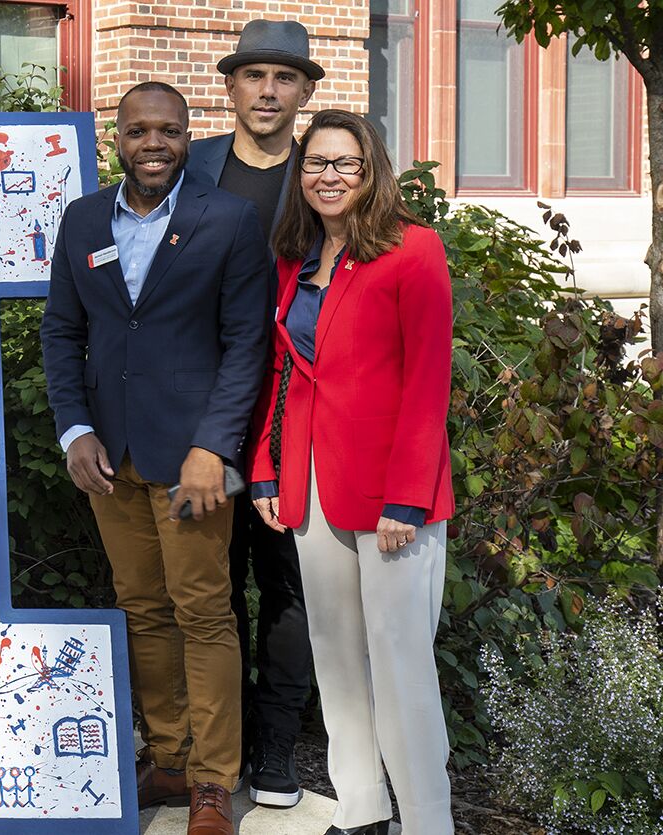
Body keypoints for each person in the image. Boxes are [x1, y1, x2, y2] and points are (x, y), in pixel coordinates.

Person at [41, 81, 273, 835]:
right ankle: (168, 757)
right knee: (141, 607)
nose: (153, 143)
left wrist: (215, 448)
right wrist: (75, 430)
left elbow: (248, 345)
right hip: (110, 454)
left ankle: (213, 780)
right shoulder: (82, 220)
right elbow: (60, 333)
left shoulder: (229, 220)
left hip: (193, 459)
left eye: (168, 131)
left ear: (187, 135)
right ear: (117, 136)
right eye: (139, 130)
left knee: (204, 611)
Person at [248, 109, 455, 835]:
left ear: (372, 174)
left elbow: (429, 382)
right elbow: (283, 371)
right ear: (299, 174)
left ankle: (429, 823)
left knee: (401, 666)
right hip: (311, 482)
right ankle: (365, 812)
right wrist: (267, 468)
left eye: (345, 164)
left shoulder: (413, 250)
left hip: (396, 494)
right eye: (316, 163)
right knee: (336, 657)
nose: (328, 176)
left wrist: (408, 498)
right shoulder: (295, 257)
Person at [182, 18, 324, 809]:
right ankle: (220, 753)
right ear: (230, 87)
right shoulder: (192, 166)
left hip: (293, 407)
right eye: (254, 76)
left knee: (287, 581)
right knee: (212, 584)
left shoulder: (326, 173)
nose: (268, 91)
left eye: (284, 78)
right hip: (203, 407)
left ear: (304, 91)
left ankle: (276, 750)